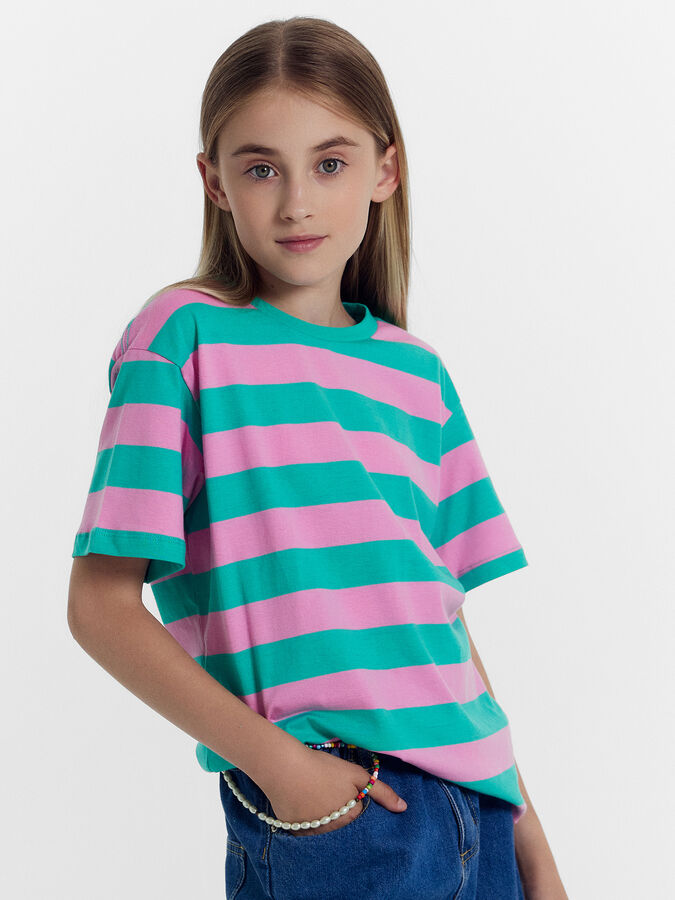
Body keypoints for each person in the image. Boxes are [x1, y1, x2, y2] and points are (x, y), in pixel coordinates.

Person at [67, 15, 567, 900]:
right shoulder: (183, 338)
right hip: (340, 817)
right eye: (262, 168)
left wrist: (532, 843)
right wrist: (284, 770)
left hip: (481, 821)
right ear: (214, 182)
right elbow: (99, 606)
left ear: (385, 170)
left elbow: (440, 622)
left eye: (329, 164)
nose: (296, 202)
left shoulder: (418, 374)